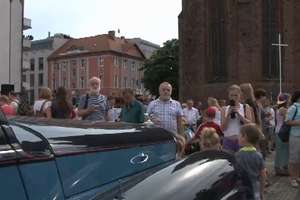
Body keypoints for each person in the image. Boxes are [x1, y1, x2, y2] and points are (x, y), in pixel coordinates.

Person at [147, 82, 185, 156]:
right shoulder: (152, 104)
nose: (166, 91)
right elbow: (146, 119)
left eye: (168, 90)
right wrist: (151, 119)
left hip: (172, 138)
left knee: (172, 159)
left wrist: (182, 139)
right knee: (157, 159)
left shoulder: (177, 104)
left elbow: (180, 123)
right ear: (159, 91)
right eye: (163, 89)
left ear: (171, 92)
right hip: (156, 138)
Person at [236, 124, 267, 200]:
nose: (238, 137)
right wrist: (262, 191)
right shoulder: (258, 155)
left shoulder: (237, 156)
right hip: (255, 187)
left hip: (242, 188)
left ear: (244, 137)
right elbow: (263, 174)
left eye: (239, 135)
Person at [221, 85, 253, 153]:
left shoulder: (245, 107)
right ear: (229, 96)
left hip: (242, 141)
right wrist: (228, 115)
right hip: (228, 141)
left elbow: (250, 125)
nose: (234, 98)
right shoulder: (224, 109)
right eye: (231, 95)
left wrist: (238, 114)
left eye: (236, 95)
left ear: (240, 95)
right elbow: (223, 128)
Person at [286, 90, 300, 187]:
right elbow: (287, 121)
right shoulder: (293, 107)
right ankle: (292, 179)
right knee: (293, 158)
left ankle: (297, 176)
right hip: (295, 136)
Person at [274, 93, 290, 176]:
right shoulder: (283, 109)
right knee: (282, 151)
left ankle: (279, 168)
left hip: (279, 130)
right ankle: (280, 168)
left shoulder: (279, 108)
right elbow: (288, 119)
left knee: (280, 151)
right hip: (281, 131)